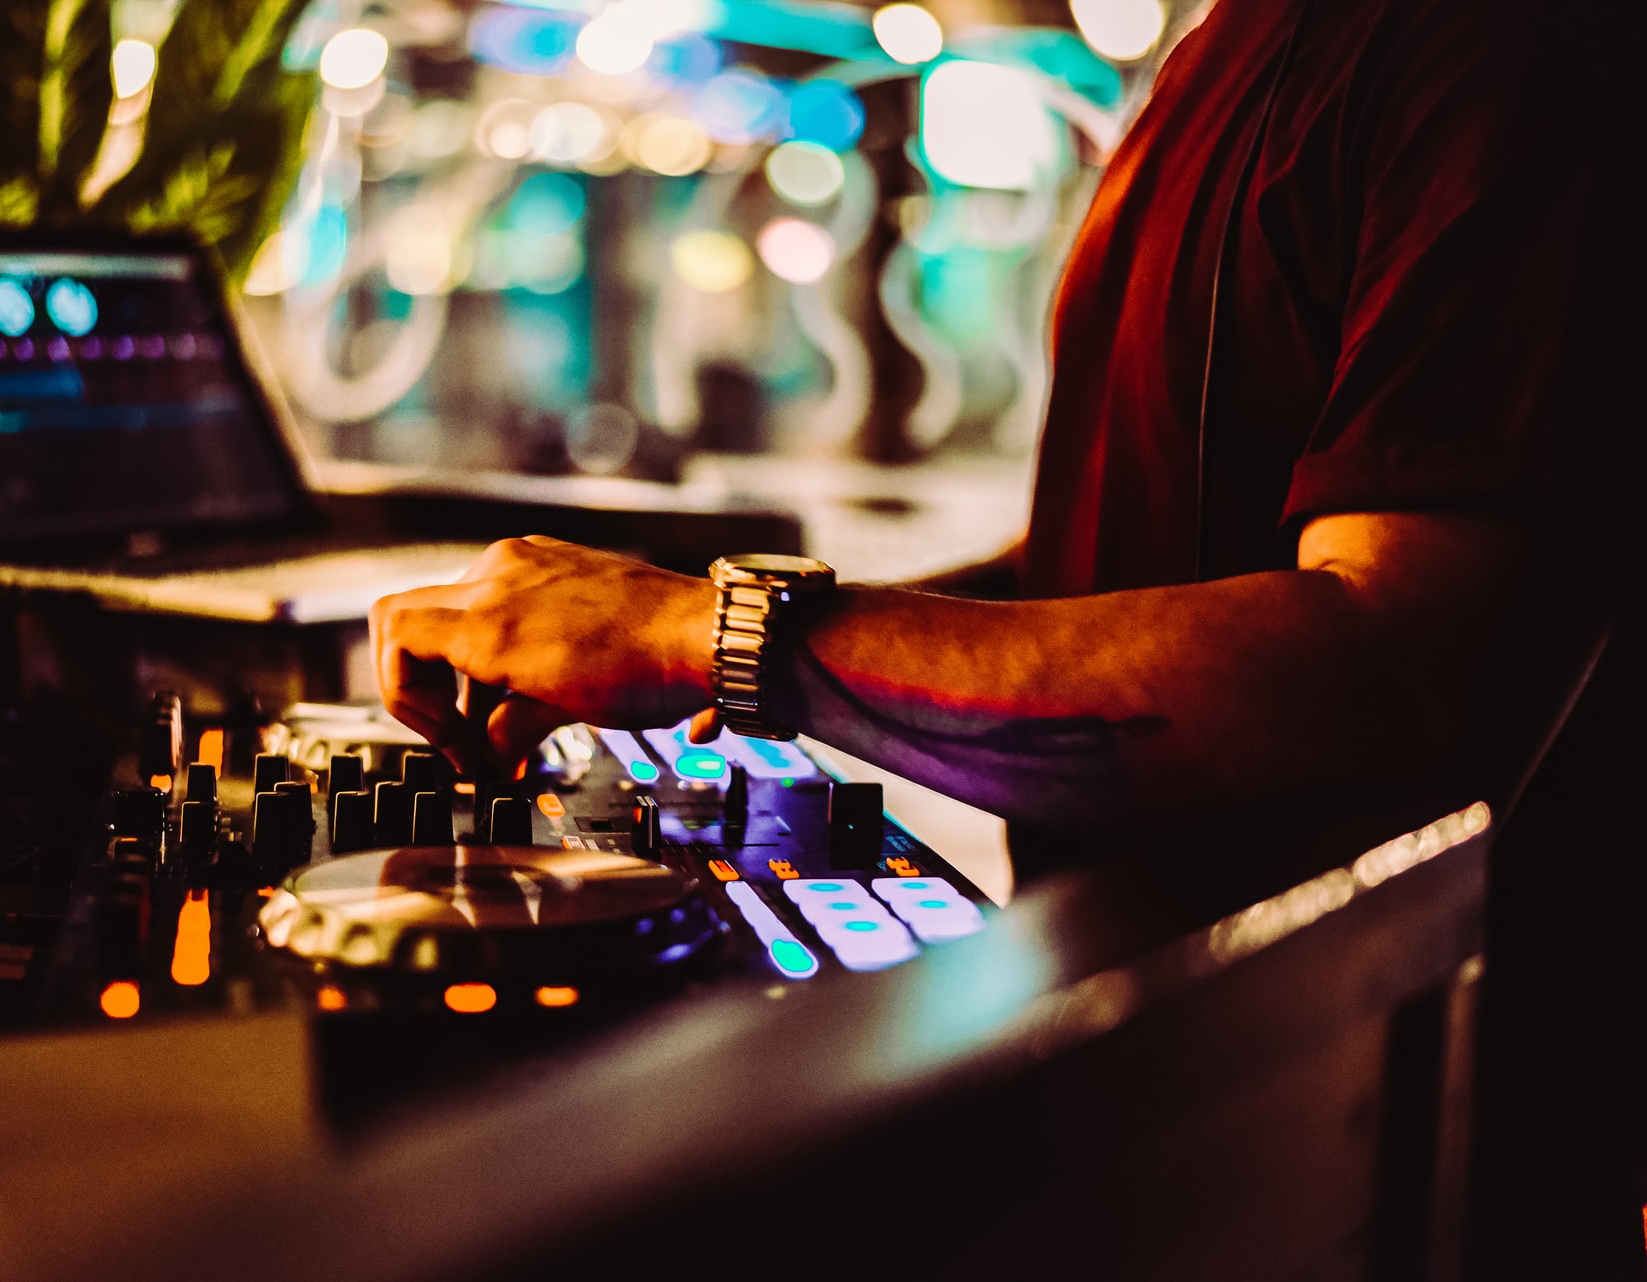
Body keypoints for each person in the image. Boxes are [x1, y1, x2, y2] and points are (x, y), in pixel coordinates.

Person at [373, 0, 1635, 858]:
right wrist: (709, 639)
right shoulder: (1229, 50)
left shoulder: (1497, 42)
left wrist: (715, 634)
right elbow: (1108, 561)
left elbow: (1394, 663)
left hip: (1377, 1120)